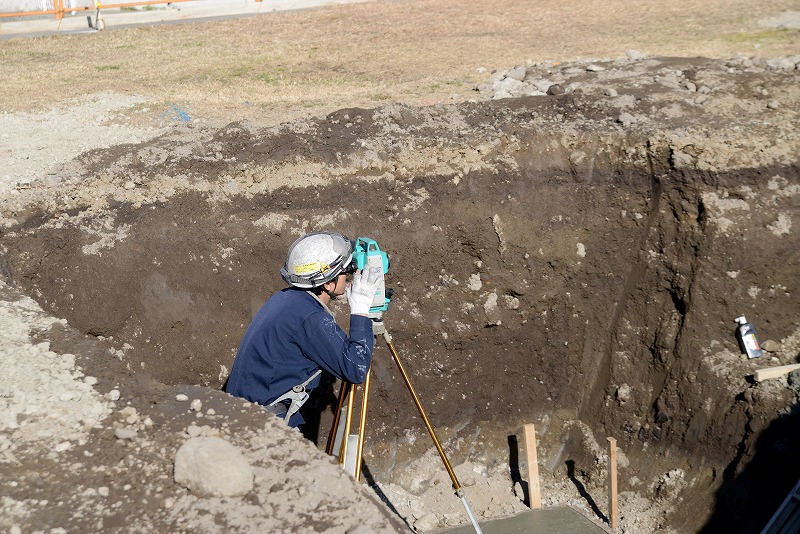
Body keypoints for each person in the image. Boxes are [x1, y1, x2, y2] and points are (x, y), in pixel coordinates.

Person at [225, 231, 382, 429]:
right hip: (261, 428)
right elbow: (355, 368)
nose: (349, 275)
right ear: (327, 282)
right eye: (345, 271)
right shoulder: (310, 318)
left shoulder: (285, 299)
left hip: (240, 414)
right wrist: (360, 310)